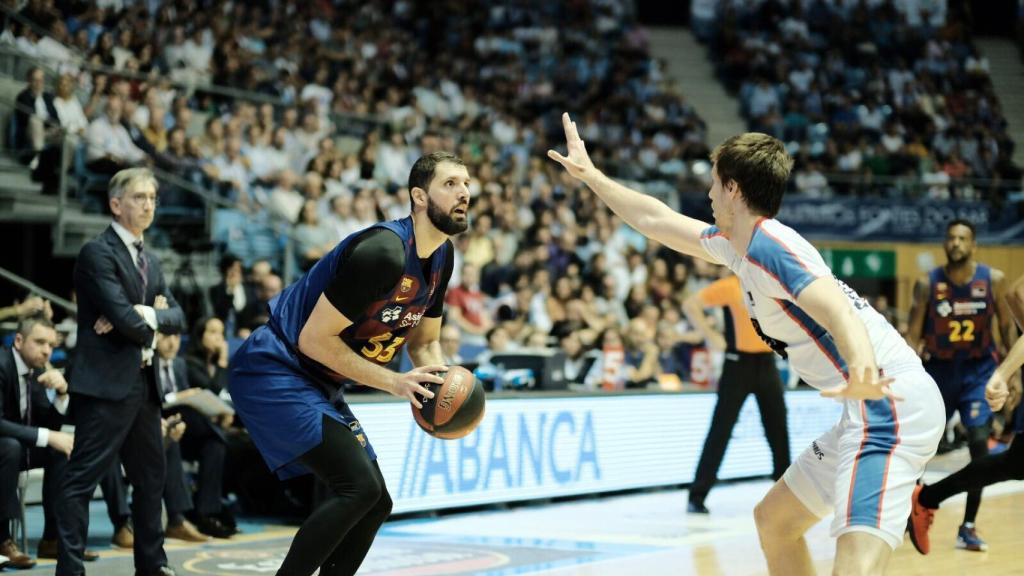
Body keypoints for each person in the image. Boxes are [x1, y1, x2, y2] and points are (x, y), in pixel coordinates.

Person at [549, 114, 944, 576]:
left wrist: (861, 373)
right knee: (775, 522)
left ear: (733, 189)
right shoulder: (737, 246)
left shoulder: (770, 247)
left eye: (714, 183)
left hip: (888, 404)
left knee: (853, 569)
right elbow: (656, 220)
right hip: (868, 409)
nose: (708, 194)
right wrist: (592, 176)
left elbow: (839, 311)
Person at [228, 151, 469, 576]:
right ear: (419, 196)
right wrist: (395, 383)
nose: (464, 192)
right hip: (276, 367)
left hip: (319, 378)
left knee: (376, 502)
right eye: (450, 184)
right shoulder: (383, 252)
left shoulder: (442, 257)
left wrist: (442, 393)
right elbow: (314, 339)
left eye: (466, 183)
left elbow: (426, 343)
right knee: (357, 488)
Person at [57, 167, 186, 576]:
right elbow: (127, 321)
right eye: (139, 197)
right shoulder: (97, 252)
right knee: (81, 480)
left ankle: (152, 566)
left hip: (144, 383)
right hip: (105, 384)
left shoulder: (151, 258)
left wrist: (141, 314)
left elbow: (178, 317)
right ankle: (70, 571)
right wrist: (145, 318)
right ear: (116, 204)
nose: (149, 205)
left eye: (152, 198)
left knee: (151, 479)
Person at [905, 219, 1015, 552]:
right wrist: (906, 376)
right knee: (916, 446)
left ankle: (967, 525)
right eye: (951, 238)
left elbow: (1007, 329)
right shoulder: (927, 283)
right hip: (938, 371)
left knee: (980, 445)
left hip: (977, 371)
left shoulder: (993, 280)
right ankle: (912, 507)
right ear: (944, 243)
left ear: (974, 245)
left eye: (963, 238)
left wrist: (1013, 375)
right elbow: (912, 335)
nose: (956, 243)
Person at [682, 274, 791, 514]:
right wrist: (711, 335)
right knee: (721, 429)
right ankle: (697, 495)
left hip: (767, 363)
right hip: (737, 364)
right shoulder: (731, 286)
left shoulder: (768, 285)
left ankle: (787, 496)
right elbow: (690, 305)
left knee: (778, 429)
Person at [0, 317, 73, 569]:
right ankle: (2, 539)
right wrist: (49, 436)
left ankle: (52, 538)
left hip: (15, 449)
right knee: (11, 447)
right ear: (19, 341)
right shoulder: (2, 364)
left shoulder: (36, 371)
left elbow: (50, 426)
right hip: (5, 449)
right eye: (40, 342)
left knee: (60, 451)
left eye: (51, 345)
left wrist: (62, 394)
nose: (46, 351)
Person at [156, 333, 234, 539]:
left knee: (215, 446)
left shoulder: (179, 364)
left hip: (186, 429)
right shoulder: (148, 361)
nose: (172, 342)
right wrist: (178, 396)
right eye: (166, 336)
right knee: (189, 426)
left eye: (176, 336)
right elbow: (148, 400)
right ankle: (179, 518)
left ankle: (206, 513)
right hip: (157, 425)